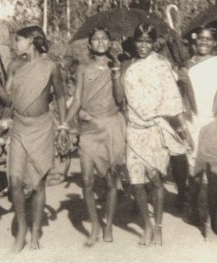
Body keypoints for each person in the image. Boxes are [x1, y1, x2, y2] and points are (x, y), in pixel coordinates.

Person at [114, 23, 193, 245]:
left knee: (156, 179)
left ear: (153, 43)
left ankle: (157, 227)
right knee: (137, 182)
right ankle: (146, 227)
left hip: (155, 129)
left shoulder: (162, 65)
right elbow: (120, 98)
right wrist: (115, 74)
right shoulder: (128, 66)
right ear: (134, 42)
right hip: (134, 129)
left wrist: (180, 127)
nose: (143, 46)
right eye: (140, 41)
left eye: (148, 42)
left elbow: (172, 97)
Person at [0, 26, 68, 252]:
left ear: (32, 41)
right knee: (15, 182)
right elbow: (7, 100)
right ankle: (21, 231)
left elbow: (61, 96)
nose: (16, 44)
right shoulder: (15, 66)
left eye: (19, 40)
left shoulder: (50, 66)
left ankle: (35, 233)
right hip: (19, 127)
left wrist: (63, 126)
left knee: (38, 184)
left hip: (42, 128)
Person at [64, 28, 126, 246]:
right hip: (89, 128)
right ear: (89, 44)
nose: (101, 42)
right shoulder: (82, 68)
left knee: (110, 180)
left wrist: (117, 75)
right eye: (96, 39)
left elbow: (120, 101)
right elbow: (78, 98)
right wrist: (65, 122)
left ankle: (108, 225)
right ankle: (95, 227)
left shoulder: (116, 66)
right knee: (87, 181)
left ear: (110, 42)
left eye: (104, 38)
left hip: (110, 127)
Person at [182, 26, 217, 241]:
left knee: (213, 175)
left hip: (214, 120)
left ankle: (209, 222)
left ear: (215, 42)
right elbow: (183, 97)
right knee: (195, 174)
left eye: (208, 39)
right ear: (195, 41)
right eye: (200, 38)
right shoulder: (186, 64)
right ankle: (193, 207)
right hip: (193, 120)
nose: (203, 42)